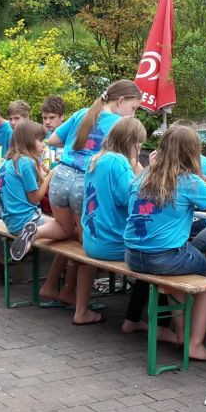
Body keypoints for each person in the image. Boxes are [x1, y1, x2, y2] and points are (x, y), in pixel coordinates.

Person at [10, 81, 142, 311]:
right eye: (133, 108)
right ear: (121, 101)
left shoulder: (83, 113)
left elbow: (54, 139)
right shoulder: (120, 123)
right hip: (86, 181)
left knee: (64, 229)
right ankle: (74, 298)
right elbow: (129, 158)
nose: (133, 114)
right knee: (85, 243)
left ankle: (36, 234)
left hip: (60, 176)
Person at [123, 125, 206, 361]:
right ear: (192, 152)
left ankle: (182, 333)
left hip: (132, 255)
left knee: (179, 270)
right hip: (162, 258)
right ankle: (195, 344)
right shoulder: (189, 181)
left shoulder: (144, 175)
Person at [75, 117, 173, 340]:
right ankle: (162, 325)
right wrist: (149, 170)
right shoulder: (118, 162)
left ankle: (134, 317)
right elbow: (132, 199)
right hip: (112, 244)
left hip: (92, 240)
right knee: (157, 254)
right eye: (138, 144)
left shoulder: (97, 158)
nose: (139, 148)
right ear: (130, 141)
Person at [0, 120, 58, 238]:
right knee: (68, 229)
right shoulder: (25, 162)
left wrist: (41, 175)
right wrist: (50, 175)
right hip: (26, 223)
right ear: (28, 140)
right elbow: (34, 199)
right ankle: (31, 239)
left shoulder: (7, 163)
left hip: (11, 223)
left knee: (61, 226)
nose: (44, 145)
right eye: (41, 140)